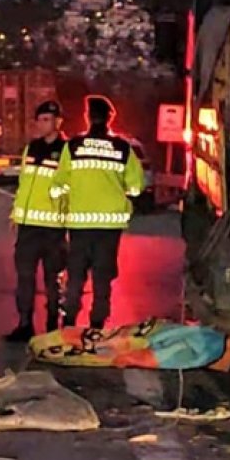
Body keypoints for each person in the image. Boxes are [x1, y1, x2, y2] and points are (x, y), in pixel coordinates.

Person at [51, 95, 145, 330]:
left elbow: (59, 183)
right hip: (109, 227)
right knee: (103, 277)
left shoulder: (73, 146)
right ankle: (97, 325)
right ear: (110, 118)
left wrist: (64, 196)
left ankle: (69, 322)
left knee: (75, 275)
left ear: (87, 117)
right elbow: (137, 186)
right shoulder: (123, 148)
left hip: (80, 225)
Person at [5, 100, 68, 342]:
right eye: (39, 120)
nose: (41, 125)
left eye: (47, 120)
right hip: (28, 227)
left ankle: (53, 325)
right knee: (24, 279)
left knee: (53, 280)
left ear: (58, 122)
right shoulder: (31, 149)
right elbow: (24, 185)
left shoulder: (66, 151)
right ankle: (24, 324)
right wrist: (16, 215)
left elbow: (70, 185)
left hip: (53, 228)